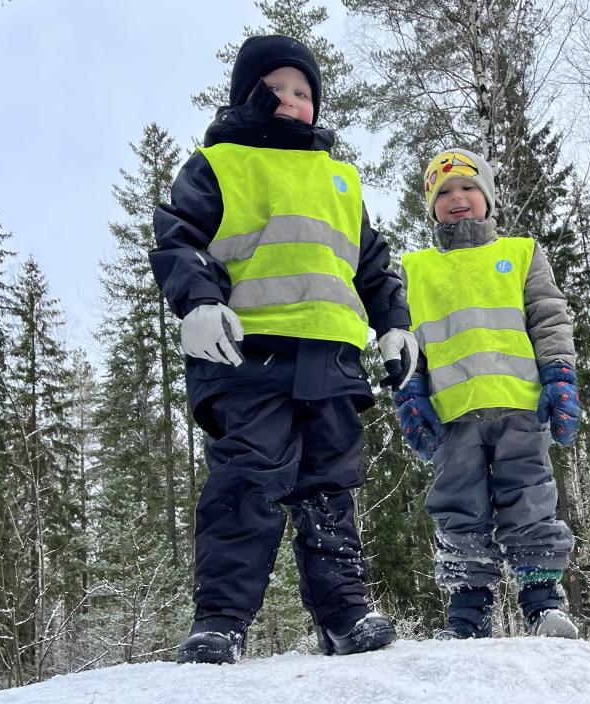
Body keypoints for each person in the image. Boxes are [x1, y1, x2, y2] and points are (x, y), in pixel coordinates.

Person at [150, 34, 418, 664]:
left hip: (333, 357)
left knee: (330, 489)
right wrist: (197, 301)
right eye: (281, 89)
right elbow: (180, 238)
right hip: (249, 358)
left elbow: (373, 265)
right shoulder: (219, 164)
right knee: (248, 481)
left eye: (306, 92)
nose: (296, 102)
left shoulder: (340, 179)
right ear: (249, 93)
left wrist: (394, 323)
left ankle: (344, 615)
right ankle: (220, 619)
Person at [393, 148, 581, 640]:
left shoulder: (520, 254)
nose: (457, 199)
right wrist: (410, 393)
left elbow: (549, 315)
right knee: (460, 508)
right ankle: (466, 616)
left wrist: (560, 376)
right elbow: (403, 339)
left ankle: (543, 605)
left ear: (488, 197)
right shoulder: (415, 269)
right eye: (444, 192)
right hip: (452, 415)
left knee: (530, 501)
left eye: (468, 188)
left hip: (521, 409)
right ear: (431, 205)